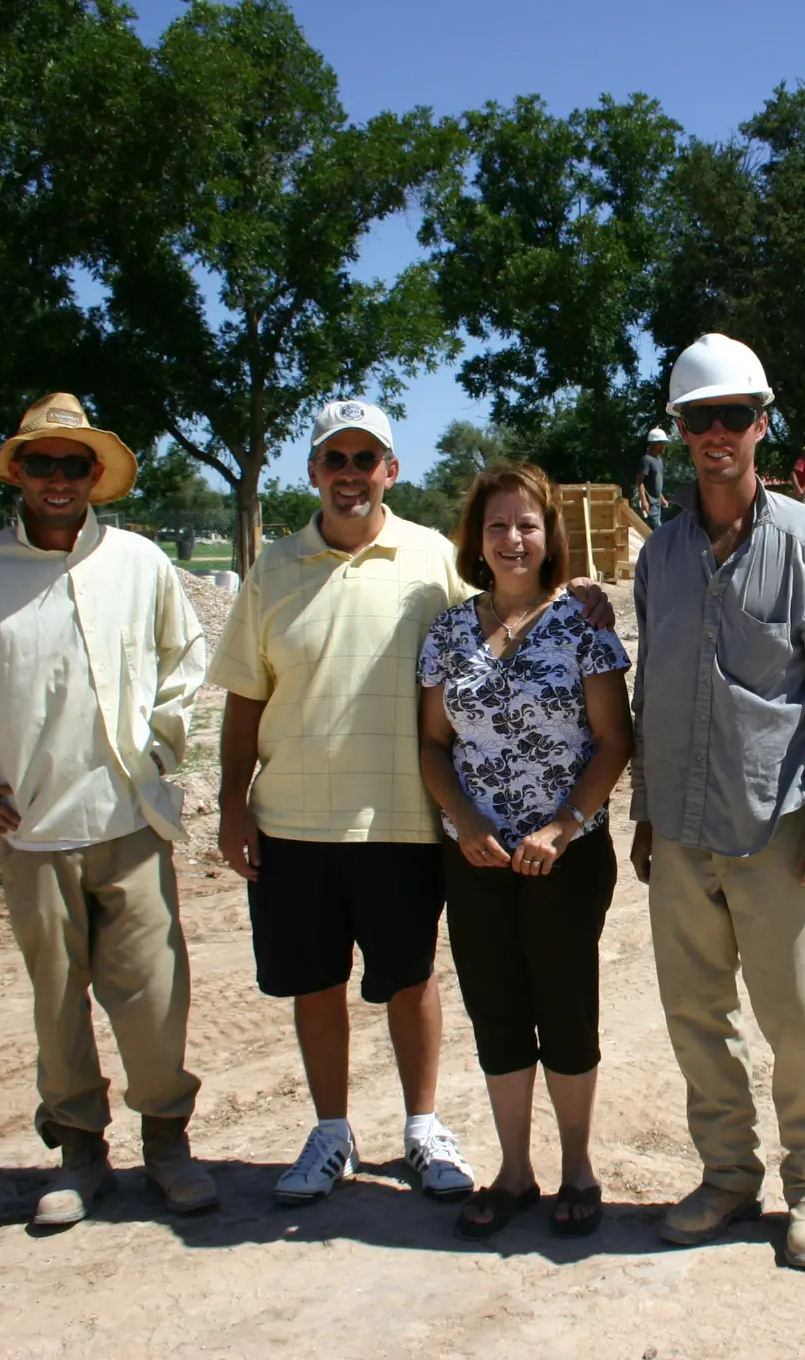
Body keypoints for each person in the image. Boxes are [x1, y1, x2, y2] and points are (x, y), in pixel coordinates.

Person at [0, 392, 216, 1227]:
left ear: (96, 476)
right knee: (57, 997)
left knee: (154, 992)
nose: (59, 478)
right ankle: (79, 1154)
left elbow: (186, 660)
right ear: (20, 475)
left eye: (75, 464)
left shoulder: (141, 564)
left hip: (132, 822)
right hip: (33, 833)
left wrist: (164, 746)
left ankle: (168, 1147)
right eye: (43, 464)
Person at [630, 334, 805, 1270]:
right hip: (684, 833)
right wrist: (647, 811)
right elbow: (650, 687)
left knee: (798, 1019)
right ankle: (727, 1175)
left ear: (761, 425)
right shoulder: (660, 556)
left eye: (733, 416)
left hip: (778, 828)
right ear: (682, 432)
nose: (717, 435)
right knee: (698, 1019)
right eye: (699, 419)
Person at [210, 398, 481, 1208]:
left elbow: (508, 614)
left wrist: (578, 599)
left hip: (403, 819)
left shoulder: (434, 560)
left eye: (368, 460)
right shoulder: (274, 568)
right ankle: (331, 1131)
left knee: (411, 979)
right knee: (315, 983)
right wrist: (232, 802)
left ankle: (424, 1126)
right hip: (293, 822)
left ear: (391, 472)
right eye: (337, 459)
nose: (352, 475)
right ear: (315, 472)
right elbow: (244, 698)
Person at [417, 462, 633, 1241]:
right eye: (498, 525)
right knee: (496, 1010)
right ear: (477, 538)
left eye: (527, 525)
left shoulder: (584, 625)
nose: (513, 539)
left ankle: (578, 1167)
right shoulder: (447, 632)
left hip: (565, 858)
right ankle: (514, 1170)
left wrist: (564, 825)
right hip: (474, 859)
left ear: (551, 537)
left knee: (565, 1007)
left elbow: (615, 742)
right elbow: (434, 745)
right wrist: (463, 821)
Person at [634, 426, 671, 521]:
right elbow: (639, 482)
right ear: (656, 444)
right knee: (657, 531)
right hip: (650, 504)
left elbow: (656, 483)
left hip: (658, 503)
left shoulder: (659, 461)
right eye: (663, 444)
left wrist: (662, 499)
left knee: (657, 533)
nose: (664, 446)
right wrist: (644, 501)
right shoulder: (646, 460)